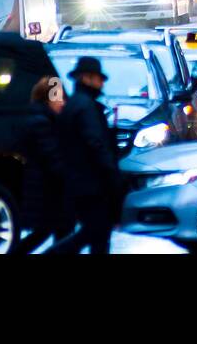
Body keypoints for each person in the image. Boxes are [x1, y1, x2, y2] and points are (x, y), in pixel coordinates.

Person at [47, 57, 123, 255]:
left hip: (78, 182)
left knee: (97, 234)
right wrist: (111, 173)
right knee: (95, 231)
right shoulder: (86, 108)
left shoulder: (74, 105)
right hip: (91, 184)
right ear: (87, 78)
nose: (102, 83)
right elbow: (96, 144)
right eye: (99, 78)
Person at [12, 76, 72, 254]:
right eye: (59, 98)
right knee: (48, 232)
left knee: (51, 232)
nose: (63, 103)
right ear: (48, 99)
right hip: (46, 191)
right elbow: (52, 157)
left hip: (49, 190)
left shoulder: (43, 119)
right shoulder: (42, 122)